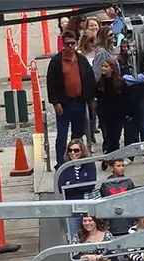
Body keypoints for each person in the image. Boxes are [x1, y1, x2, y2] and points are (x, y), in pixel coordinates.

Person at [47, 29, 98, 166]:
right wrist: (55, 102)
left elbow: (89, 79)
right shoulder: (56, 61)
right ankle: (60, 164)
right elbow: (51, 83)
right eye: (67, 44)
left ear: (76, 43)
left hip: (79, 102)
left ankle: (77, 162)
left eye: (72, 43)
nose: (70, 47)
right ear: (63, 44)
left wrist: (91, 99)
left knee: (78, 135)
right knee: (62, 136)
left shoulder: (81, 60)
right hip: (64, 104)